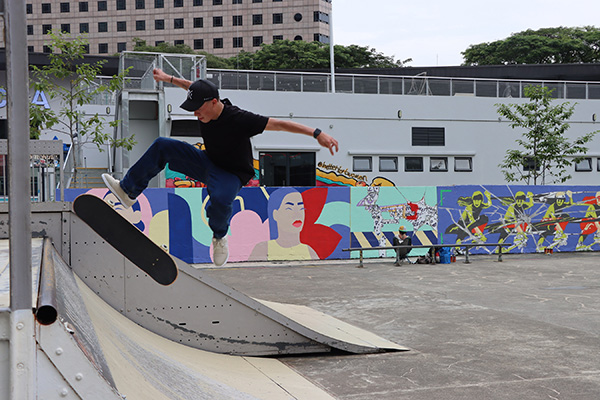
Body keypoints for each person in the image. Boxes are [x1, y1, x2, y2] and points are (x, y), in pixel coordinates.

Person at [102, 68, 339, 266]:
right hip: (207, 162)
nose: (196, 114)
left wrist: (317, 134)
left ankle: (219, 236)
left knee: (222, 197)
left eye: (198, 109)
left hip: (233, 175)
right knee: (163, 145)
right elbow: (191, 86)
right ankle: (128, 191)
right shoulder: (205, 100)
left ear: (214, 103)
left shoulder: (240, 119)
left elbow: (280, 124)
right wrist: (168, 79)